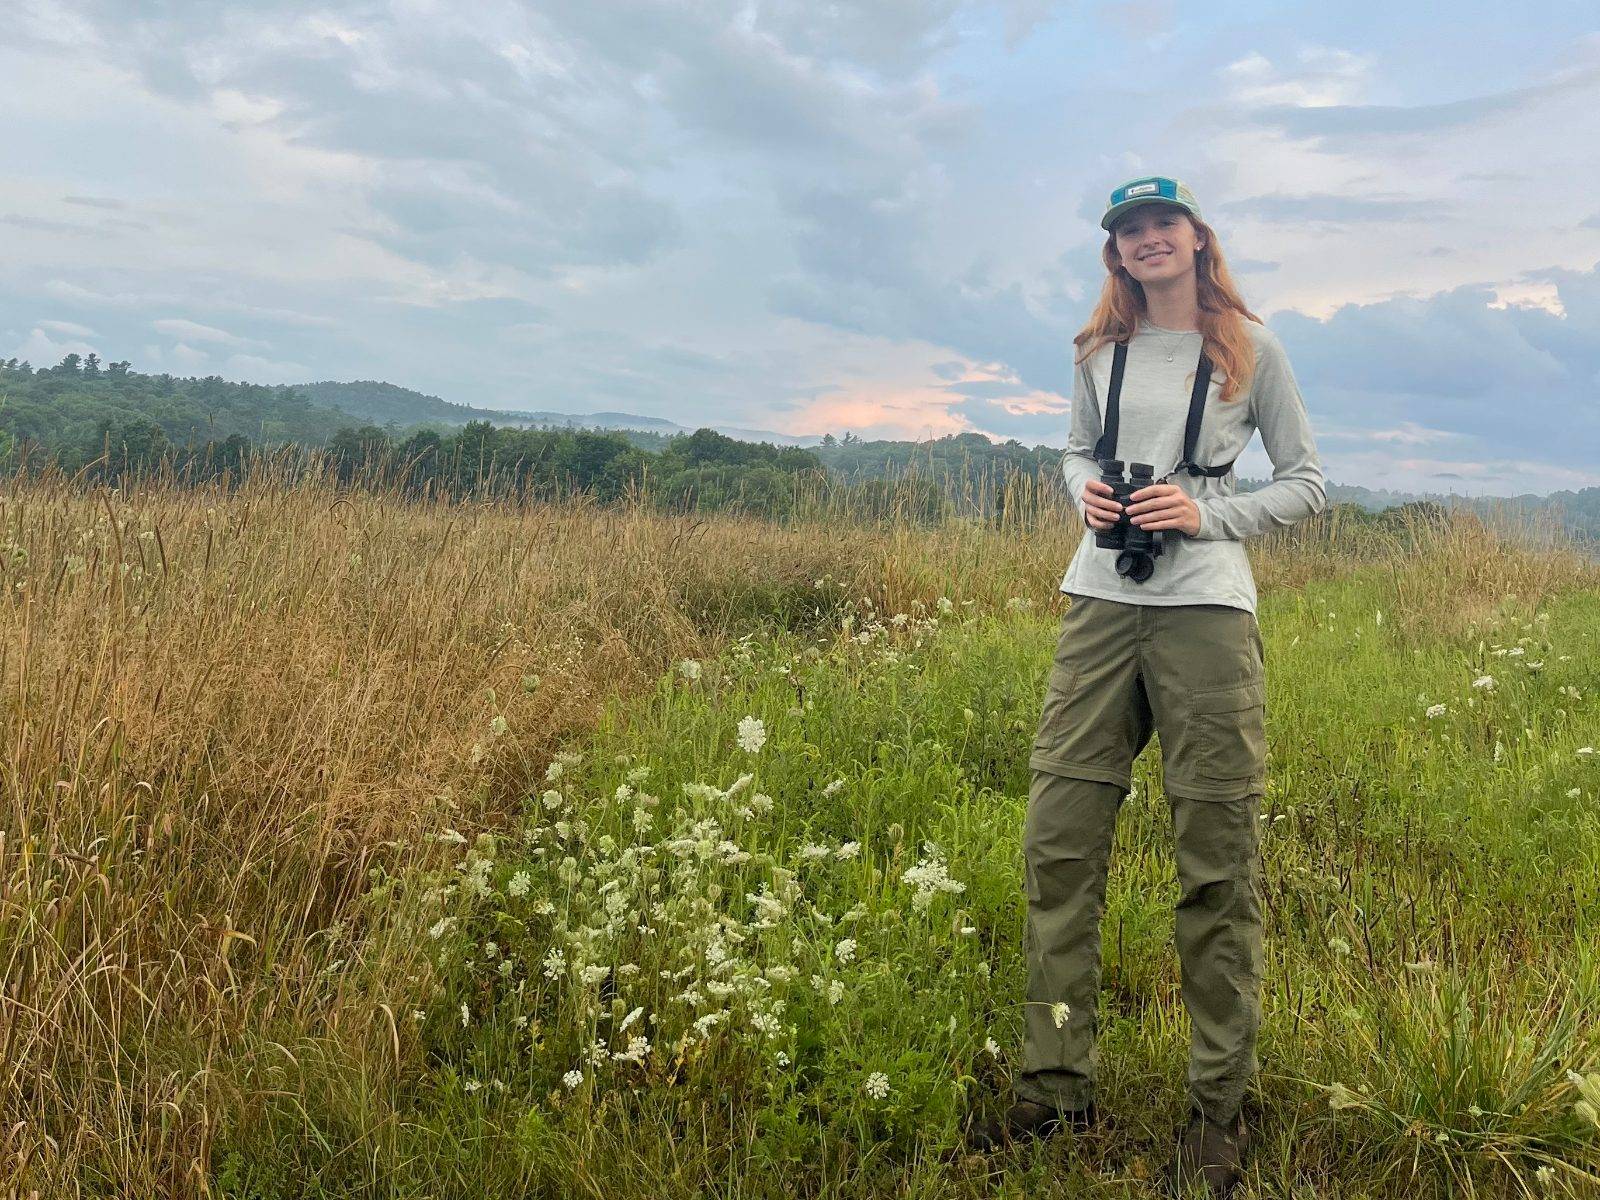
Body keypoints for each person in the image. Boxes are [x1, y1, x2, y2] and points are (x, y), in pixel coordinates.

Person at [964, 176, 1326, 1197]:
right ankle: (1053, 1085)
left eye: (1162, 223)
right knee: (1058, 846)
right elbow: (1075, 448)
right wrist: (1079, 486)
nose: (1147, 239)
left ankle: (1216, 1109)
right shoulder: (1097, 354)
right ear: (1114, 254)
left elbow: (1304, 480)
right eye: (1128, 231)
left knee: (1215, 855)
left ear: (1196, 237)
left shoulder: (1253, 352)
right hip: (1096, 605)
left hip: (1206, 611)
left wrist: (1202, 515)